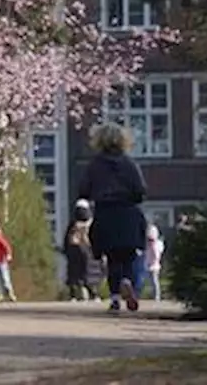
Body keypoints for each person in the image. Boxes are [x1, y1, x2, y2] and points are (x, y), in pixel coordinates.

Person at [78, 123, 148, 313]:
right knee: (129, 256)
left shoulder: (94, 165)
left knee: (112, 258)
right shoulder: (129, 163)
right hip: (128, 214)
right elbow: (140, 191)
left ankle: (115, 298)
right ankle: (128, 280)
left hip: (105, 214)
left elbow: (83, 190)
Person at [64, 214, 96, 301]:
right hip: (85, 249)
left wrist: (66, 251)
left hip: (73, 248)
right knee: (86, 273)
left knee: (73, 274)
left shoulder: (73, 224)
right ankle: (92, 293)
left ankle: (74, 295)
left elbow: (67, 239)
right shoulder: (89, 223)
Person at [144, 224, 166, 301]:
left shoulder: (158, 244)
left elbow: (157, 255)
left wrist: (153, 261)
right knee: (148, 281)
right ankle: (150, 295)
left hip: (154, 265)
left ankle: (156, 296)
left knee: (154, 280)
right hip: (147, 264)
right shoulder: (147, 245)